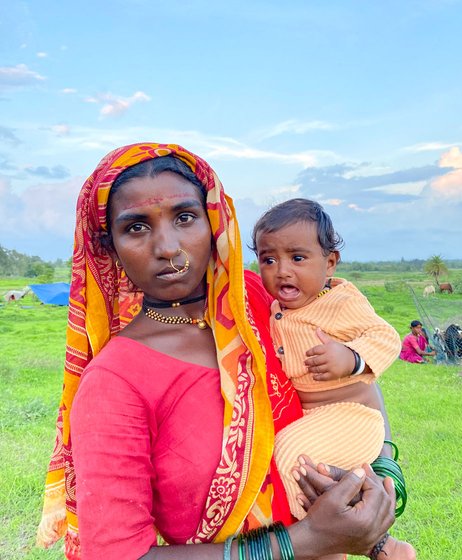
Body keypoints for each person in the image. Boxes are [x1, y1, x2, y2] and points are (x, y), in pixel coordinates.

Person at [36, 143, 398, 560]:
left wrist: (386, 475)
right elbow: (118, 555)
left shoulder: (262, 298)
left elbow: (357, 369)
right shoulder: (115, 382)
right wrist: (306, 540)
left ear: (215, 223)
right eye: (136, 227)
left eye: (185, 217)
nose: (168, 247)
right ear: (109, 246)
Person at [251, 198, 415, 560]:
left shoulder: (340, 301)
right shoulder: (277, 306)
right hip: (317, 418)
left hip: (350, 416)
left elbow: (385, 336)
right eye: (268, 259)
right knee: (308, 470)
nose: (282, 271)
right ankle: (377, 547)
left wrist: (352, 358)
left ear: (329, 263)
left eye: (297, 257)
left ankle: (333, 541)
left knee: (291, 458)